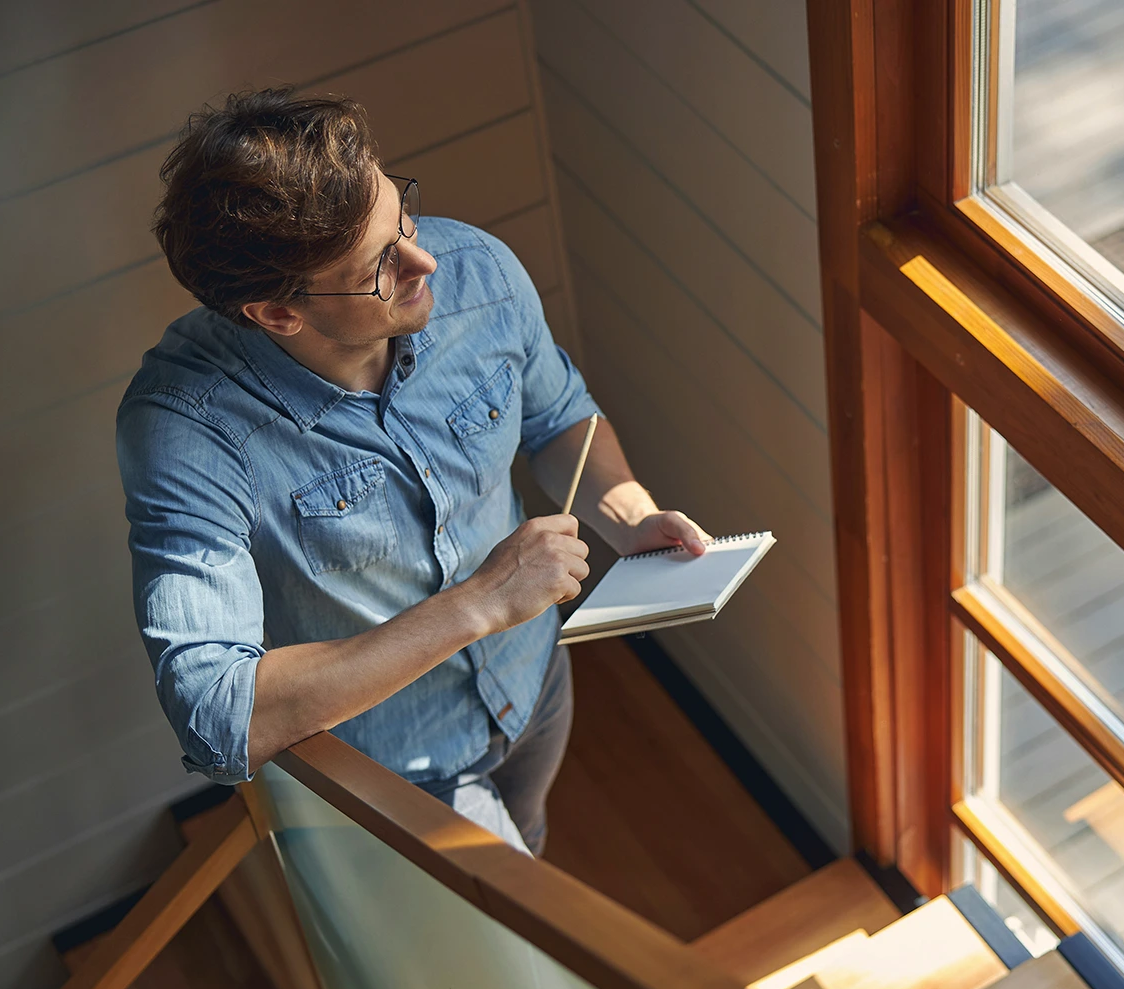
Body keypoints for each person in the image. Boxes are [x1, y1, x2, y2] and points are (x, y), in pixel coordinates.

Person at [116, 88, 707, 856]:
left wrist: (628, 517)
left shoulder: (479, 274)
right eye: (379, 266)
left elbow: (559, 416)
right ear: (276, 313)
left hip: (532, 685)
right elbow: (223, 715)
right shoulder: (186, 430)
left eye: (405, 219)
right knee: (500, 961)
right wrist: (482, 602)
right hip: (386, 776)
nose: (428, 261)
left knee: (529, 840)